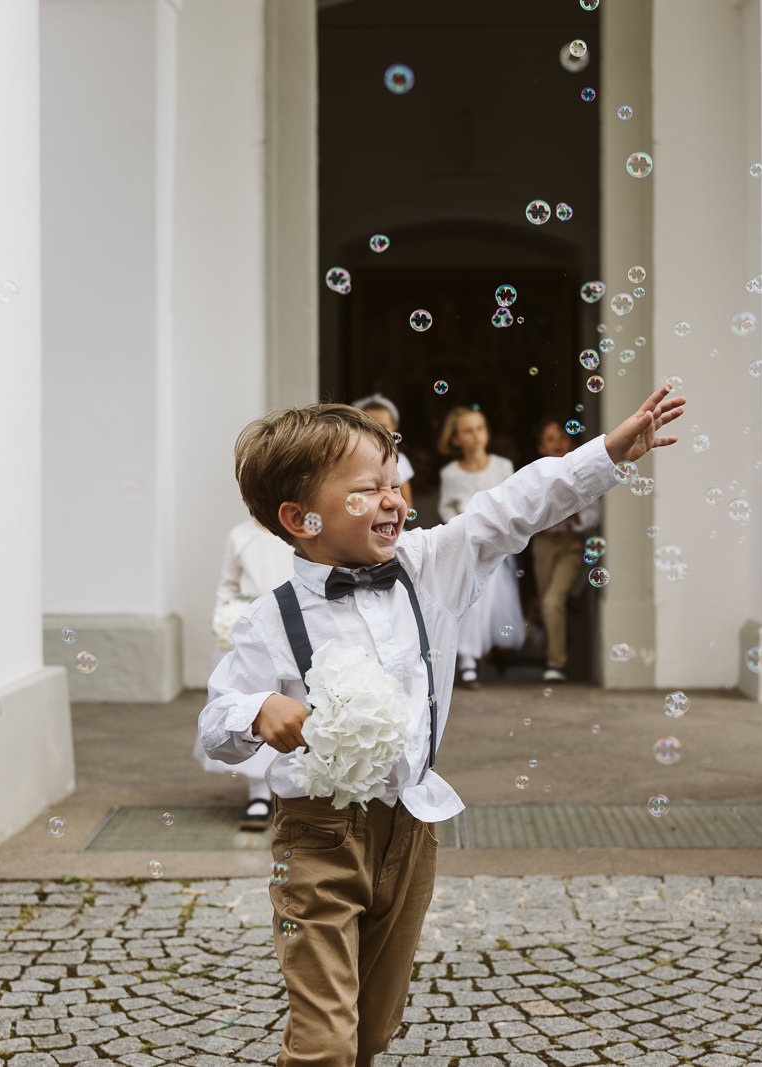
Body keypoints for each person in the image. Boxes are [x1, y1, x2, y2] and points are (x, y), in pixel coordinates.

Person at [199, 385, 684, 1066]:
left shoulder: (428, 568)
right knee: (324, 1041)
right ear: (300, 517)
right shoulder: (269, 619)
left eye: (397, 481)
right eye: (371, 488)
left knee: (371, 1029)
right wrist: (254, 710)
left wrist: (604, 454)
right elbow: (215, 722)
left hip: (411, 829)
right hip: (315, 836)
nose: (397, 498)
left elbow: (509, 508)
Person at [203, 516, 291, 830]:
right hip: (252, 631)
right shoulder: (239, 536)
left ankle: (290, 786)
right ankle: (258, 794)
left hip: (289, 625)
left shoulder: (294, 530)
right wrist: (225, 618)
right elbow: (228, 584)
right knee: (251, 709)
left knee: (286, 708)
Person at [437, 406, 524, 689]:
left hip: (495, 545)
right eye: (467, 430)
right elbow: (446, 506)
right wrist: (462, 524)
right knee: (471, 599)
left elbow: (512, 503)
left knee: (486, 598)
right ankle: (467, 660)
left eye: (480, 428)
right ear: (454, 439)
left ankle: (471, 658)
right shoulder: (450, 473)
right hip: (466, 545)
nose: (476, 436)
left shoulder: (502, 466)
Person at [530, 418, 602, 682]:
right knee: (548, 602)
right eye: (550, 439)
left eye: (561, 437)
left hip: (571, 544)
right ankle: (555, 654)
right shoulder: (535, 476)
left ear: (571, 442)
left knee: (552, 601)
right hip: (543, 543)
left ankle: (556, 664)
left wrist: (572, 517)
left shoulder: (582, 474)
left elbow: (594, 515)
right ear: (541, 448)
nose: (557, 443)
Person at [353, 393, 414, 506]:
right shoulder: (355, 459)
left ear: (395, 427)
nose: (378, 431)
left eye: (384, 426)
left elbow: (407, 502)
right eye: (370, 426)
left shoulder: (401, 460)